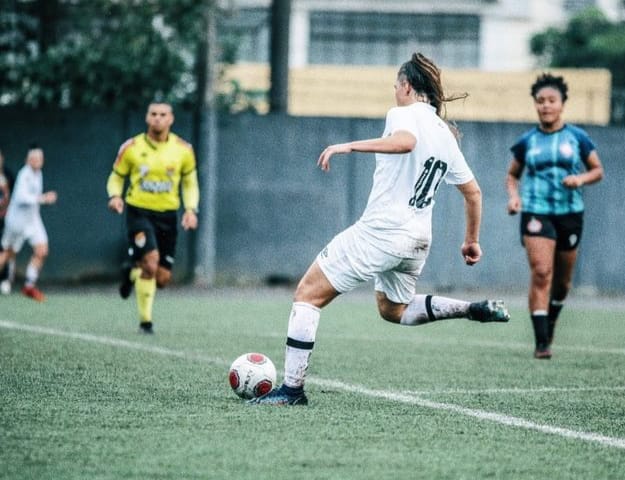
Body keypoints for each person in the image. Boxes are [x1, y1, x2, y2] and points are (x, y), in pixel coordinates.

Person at [251, 52, 510, 406]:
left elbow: (405, 142)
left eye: (395, 85)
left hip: (383, 232)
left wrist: (349, 145)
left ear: (406, 86)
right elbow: (474, 193)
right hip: (418, 239)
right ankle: (469, 309)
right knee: (393, 310)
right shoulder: (445, 133)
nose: (394, 92)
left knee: (307, 295)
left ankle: (292, 391)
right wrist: (472, 241)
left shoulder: (402, 114)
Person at [506, 73, 604, 360]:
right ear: (535, 105)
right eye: (540, 101)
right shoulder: (528, 141)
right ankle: (541, 343)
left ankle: (550, 320)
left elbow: (598, 170)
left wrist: (581, 179)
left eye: (551, 101)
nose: (545, 106)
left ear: (562, 104)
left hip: (569, 213)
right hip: (536, 211)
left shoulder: (577, 137)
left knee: (562, 283)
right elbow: (512, 175)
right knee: (541, 272)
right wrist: (514, 197)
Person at [106, 101, 199, 334]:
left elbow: (190, 183)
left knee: (163, 278)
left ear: (171, 119)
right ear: (147, 118)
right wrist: (115, 196)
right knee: (150, 261)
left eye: (163, 114)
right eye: (153, 114)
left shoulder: (183, 150)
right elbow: (116, 177)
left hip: (167, 216)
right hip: (139, 212)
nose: (158, 118)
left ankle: (131, 272)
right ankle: (145, 322)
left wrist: (190, 209)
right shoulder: (132, 147)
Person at [0, 146, 57, 301]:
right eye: (34, 158)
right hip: (17, 222)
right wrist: (44, 198)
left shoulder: (39, 174)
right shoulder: (24, 174)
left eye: (40, 158)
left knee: (42, 251)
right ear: (28, 160)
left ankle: (29, 286)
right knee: (7, 253)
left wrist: (41, 199)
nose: (38, 161)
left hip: (32, 220)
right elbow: (21, 198)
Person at [0, 149, 16, 294]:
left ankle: (5, 279)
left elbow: (14, 196)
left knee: (5, 249)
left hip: (6, 219)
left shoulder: (8, 175)